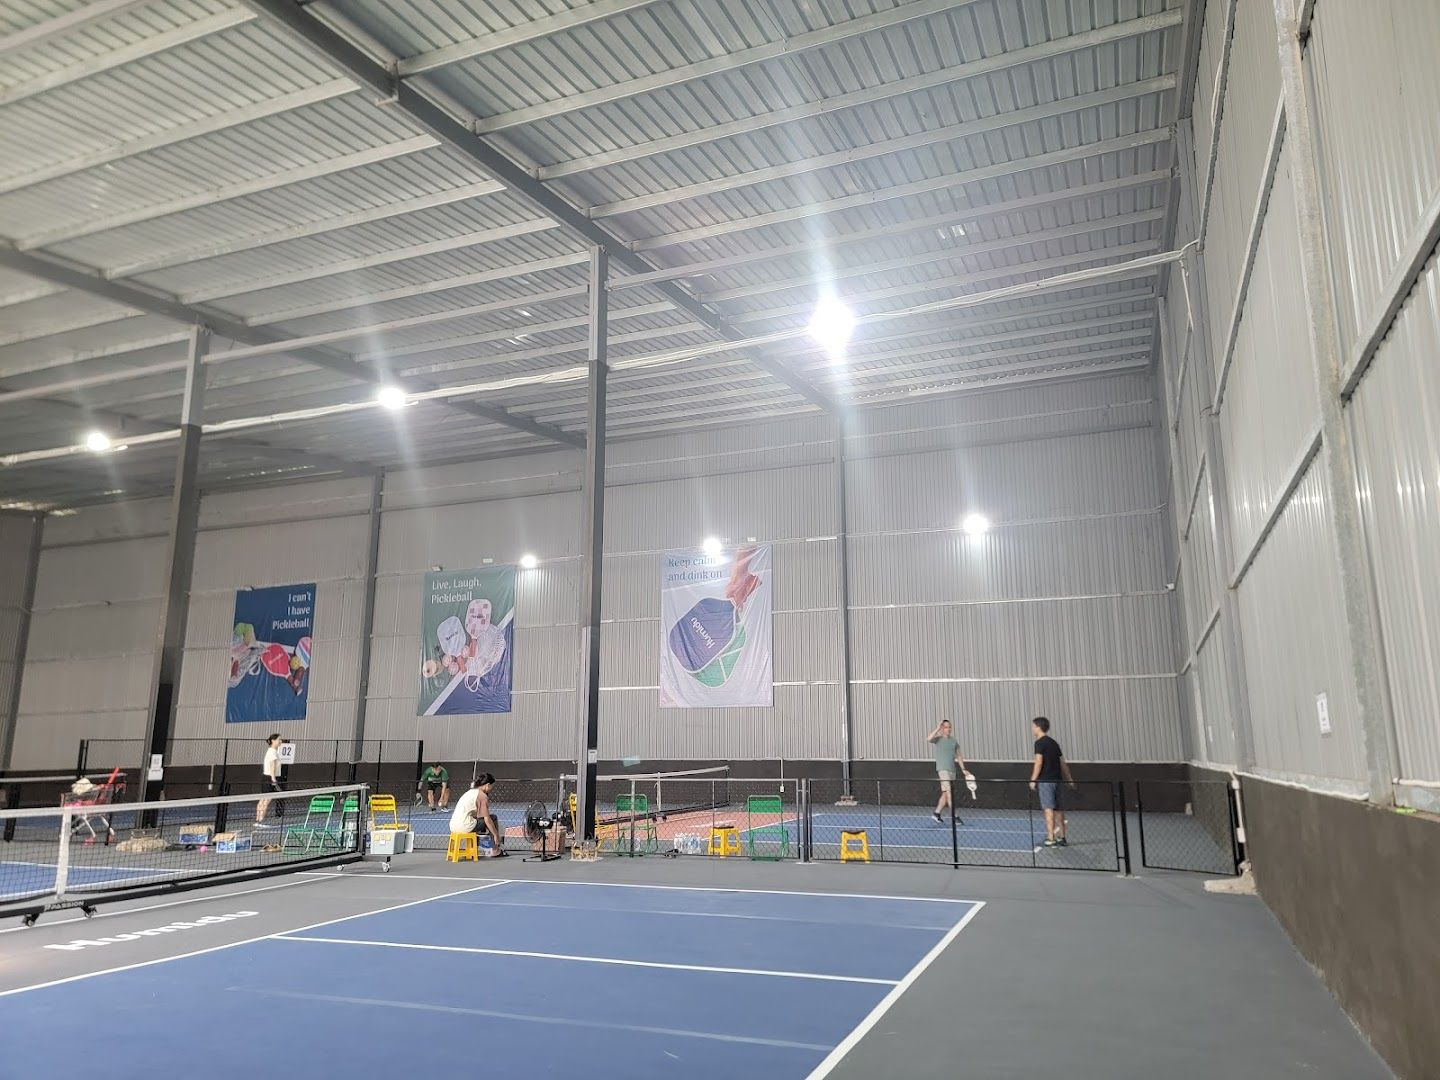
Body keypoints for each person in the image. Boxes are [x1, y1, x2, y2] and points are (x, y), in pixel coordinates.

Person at [1029, 716, 1076, 847]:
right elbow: (1062, 763)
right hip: (1058, 780)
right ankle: (1062, 837)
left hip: (1046, 781)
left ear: (1038, 727)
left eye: (1033, 726)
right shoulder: (1054, 743)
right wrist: (1069, 779)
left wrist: (1033, 779)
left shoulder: (1039, 743)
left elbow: (1038, 762)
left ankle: (1051, 838)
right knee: (1059, 809)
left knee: (1048, 808)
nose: (1032, 729)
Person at [449, 773, 506, 857]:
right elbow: (487, 819)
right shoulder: (482, 796)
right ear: (487, 785)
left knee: (478, 821)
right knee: (493, 818)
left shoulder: (470, 792)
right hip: (465, 825)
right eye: (491, 786)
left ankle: (474, 848)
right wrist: (495, 835)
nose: (491, 789)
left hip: (453, 825)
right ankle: (495, 850)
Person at [926, 719, 971, 824]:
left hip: (952, 770)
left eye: (949, 727)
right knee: (949, 792)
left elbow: (958, 756)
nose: (948, 729)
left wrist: (963, 769)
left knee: (946, 794)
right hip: (943, 770)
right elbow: (928, 739)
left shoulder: (954, 741)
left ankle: (936, 813)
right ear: (943, 728)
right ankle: (955, 816)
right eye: (946, 727)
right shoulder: (938, 739)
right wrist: (938, 728)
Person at [256, 733, 284, 824]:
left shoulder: (272, 751)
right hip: (270, 778)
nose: (280, 741)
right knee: (266, 800)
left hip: (267, 777)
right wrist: (273, 779)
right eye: (279, 740)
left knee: (263, 799)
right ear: (273, 741)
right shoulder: (272, 752)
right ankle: (260, 821)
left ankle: (258, 820)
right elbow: (272, 766)